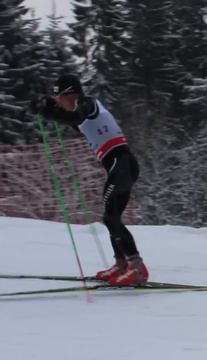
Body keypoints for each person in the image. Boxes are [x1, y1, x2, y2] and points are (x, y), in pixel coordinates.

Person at [35, 74, 149, 286]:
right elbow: (70, 117)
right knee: (111, 217)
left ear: (71, 93)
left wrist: (50, 112)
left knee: (110, 216)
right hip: (121, 166)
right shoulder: (78, 114)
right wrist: (46, 107)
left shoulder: (88, 104)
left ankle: (137, 267)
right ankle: (122, 264)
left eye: (60, 96)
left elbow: (77, 115)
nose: (58, 100)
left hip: (122, 164)